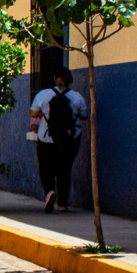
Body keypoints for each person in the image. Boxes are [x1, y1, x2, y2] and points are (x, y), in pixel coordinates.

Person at [30, 67, 89, 213]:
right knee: (64, 170)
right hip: (70, 139)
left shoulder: (43, 94)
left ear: (55, 78)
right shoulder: (77, 97)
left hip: (46, 138)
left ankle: (50, 192)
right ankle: (62, 204)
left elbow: (33, 113)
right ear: (70, 80)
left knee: (45, 168)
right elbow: (84, 116)